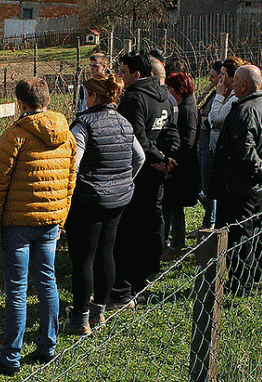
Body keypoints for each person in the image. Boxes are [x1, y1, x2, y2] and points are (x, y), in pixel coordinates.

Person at [0, 77, 76, 376]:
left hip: (18, 223)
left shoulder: (15, 135)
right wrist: (61, 216)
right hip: (49, 221)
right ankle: (48, 347)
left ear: (21, 103)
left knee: (17, 290)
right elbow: (71, 181)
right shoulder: (66, 133)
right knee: (47, 282)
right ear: (47, 100)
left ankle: (10, 357)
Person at [62, 73, 145, 335]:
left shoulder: (83, 125)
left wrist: (67, 195)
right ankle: (99, 311)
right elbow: (139, 157)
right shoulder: (123, 122)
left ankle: (79, 318)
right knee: (106, 252)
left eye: (86, 94)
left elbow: (72, 166)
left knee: (83, 259)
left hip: (88, 201)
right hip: (118, 200)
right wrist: (124, 181)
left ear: (94, 96)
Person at [110, 50, 179, 308]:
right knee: (153, 220)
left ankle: (124, 286)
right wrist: (168, 157)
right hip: (159, 172)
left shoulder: (133, 99)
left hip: (137, 173)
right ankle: (146, 275)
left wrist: (155, 157)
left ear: (136, 74)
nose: (119, 76)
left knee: (128, 230)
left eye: (123, 72)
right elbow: (172, 130)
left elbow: (135, 137)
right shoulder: (165, 95)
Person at [209, 65, 262, 294]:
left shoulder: (244, 112)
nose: (231, 86)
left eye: (234, 82)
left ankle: (240, 282)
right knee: (255, 231)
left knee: (240, 235)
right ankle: (253, 276)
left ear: (243, 85)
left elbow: (244, 152)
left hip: (240, 186)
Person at [161, 72, 201, 261]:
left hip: (181, 168)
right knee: (169, 208)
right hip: (178, 166)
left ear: (178, 90)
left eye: (170, 88)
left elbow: (187, 142)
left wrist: (172, 160)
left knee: (174, 209)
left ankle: (176, 246)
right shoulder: (183, 107)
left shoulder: (186, 110)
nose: (168, 91)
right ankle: (167, 243)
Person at [193, 60, 224, 234]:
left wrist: (201, 120)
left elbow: (213, 120)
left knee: (208, 187)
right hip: (203, 145)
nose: (210, 80)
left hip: (209, 147)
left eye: (213, 76)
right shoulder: (214, 94)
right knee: (200, 185)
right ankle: (209, 218)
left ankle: (210, 222)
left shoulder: (222, 95)